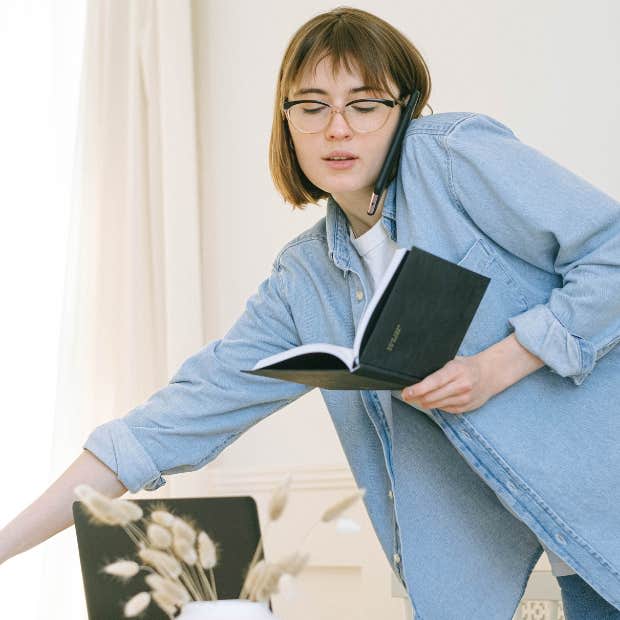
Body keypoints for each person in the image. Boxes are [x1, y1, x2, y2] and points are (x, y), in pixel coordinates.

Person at [2, 6, 620, 619]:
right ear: (286, 121)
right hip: (561, 564)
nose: (337, 129)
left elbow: (611, 253)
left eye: (365, 103)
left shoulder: (452, 159)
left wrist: (501, 362)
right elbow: (161, 427)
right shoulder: (304, 282)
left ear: (404, 110)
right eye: (312, 105)